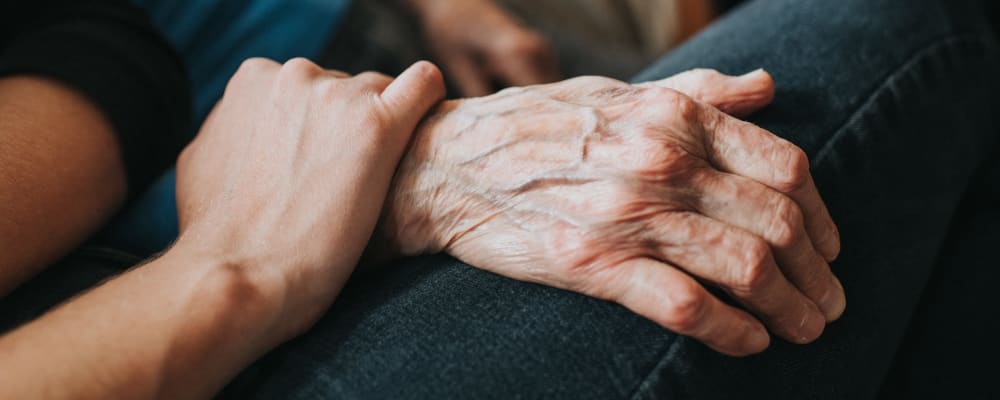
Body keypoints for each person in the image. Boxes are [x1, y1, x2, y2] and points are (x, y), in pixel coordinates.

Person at [0, 0, 997, 399]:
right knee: (908, 35)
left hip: (326, 97)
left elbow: (101, 52)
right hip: (160, 291)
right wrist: (234, 265)